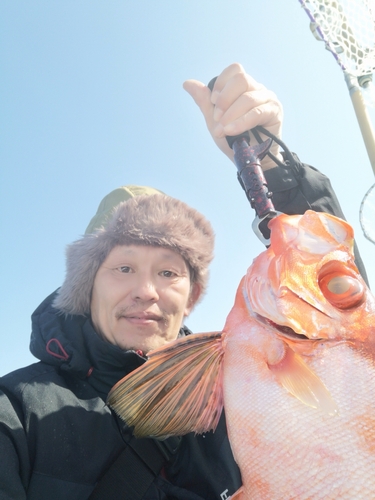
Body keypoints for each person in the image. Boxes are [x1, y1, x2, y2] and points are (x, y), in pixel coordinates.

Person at [0, 63, 368, 500]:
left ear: (190, 294)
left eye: (169, 272)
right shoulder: (16, 414)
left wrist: (270, 164)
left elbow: (344, 323)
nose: (147, 291)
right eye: (123, 268)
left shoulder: (238, 384)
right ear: (86, 287)